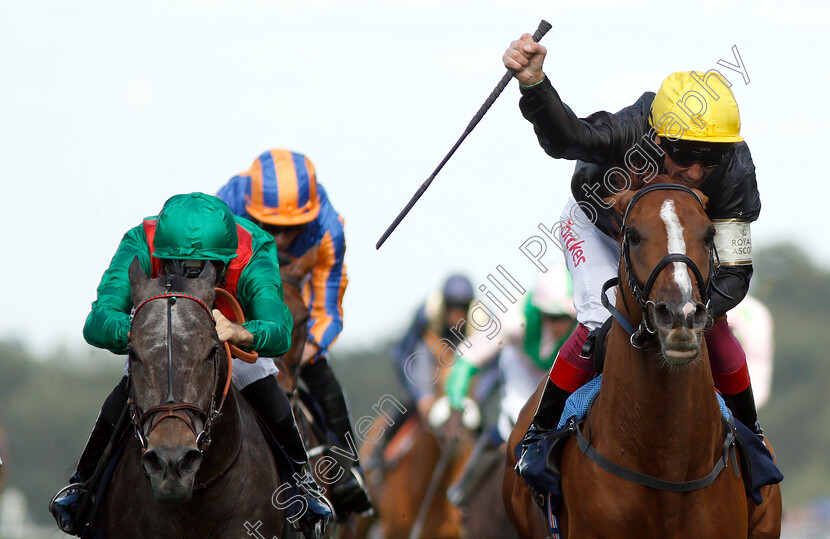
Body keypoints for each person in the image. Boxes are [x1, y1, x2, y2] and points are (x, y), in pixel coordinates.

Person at [502, 35, 764, 479]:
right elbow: (568, 138)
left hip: (680, 240)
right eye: (683, 154)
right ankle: (539, 436)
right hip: (601, 228)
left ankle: (753, 440)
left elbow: (736, 273)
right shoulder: (632, 129)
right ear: (657, 136)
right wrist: (534, 83)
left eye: (712, 157)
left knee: (712, 329)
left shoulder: (735, 167)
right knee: (597, 325)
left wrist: (696, 312)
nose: (696, 171)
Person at [50, 193, 331, 537]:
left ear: (225, 262)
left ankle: (300, 483)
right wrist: (140, 330)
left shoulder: (255, 248)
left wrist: (242, 332)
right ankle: (83, 486)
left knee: (264, 384)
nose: (187, 278)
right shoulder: (140, 241)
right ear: (161, 256)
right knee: (128, 387)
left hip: (223, 334)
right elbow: (97, 322)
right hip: (159, 339)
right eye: (175, 268)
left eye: (200, 271)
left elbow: (280, 331)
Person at [217, 149, 371, 518]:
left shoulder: (329, 229)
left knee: (327, 386)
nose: (281, 239)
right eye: (270, 227)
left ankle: (348, 474)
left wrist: (299, 353)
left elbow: (327, 308)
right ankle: (93, 479)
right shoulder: (222, 210)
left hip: (291, 311)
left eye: (293, 228)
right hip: (234, 308)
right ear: (249, 214)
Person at [446, 263, 576, 507]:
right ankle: (464, 487)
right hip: (520, 364)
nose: (560, 325)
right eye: (552, 316)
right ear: (538, 310)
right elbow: (467, 357)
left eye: (566, 317)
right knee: (516, 423)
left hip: (558, 368)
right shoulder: (513, 319)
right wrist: (455, 400)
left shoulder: (583, 320)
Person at [391, 274, 476, 424]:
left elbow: (492, 368)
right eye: (452, 307)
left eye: (462, 308)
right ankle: (380, 445)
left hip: (462, 386)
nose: (457, 314)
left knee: (477, 418)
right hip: (427, 374)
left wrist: (477, 397)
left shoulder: (481, 322)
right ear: (444, 305)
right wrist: (421, 395)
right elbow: (402, 354)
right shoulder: (426, 315)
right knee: (405, 410)